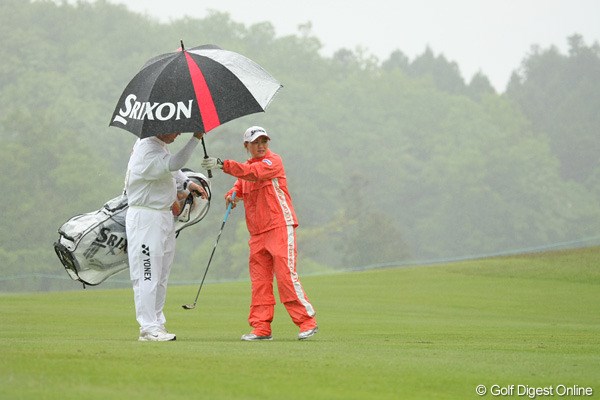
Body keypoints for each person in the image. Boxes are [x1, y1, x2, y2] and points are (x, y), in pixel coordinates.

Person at [201, 126, 318, 341]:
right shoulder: (245, 168)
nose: (261, 145)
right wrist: (232, 196)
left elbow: (254, 174)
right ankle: (261, 328)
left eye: (264, 141)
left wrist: (221, 165)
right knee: (260, 283)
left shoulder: (273, 162)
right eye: (256, 142)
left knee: (285, 277)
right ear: (247, 146)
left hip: (280, 226)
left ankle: (307, 321)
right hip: (257, 234)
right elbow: (240, 185)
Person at [125, 131, 208, 342]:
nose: (179, 132)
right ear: (160, 127)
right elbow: (173, 163)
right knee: (147, 272)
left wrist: (187, 184)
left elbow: (174, 170)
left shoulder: (159, 144)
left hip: (163, 216)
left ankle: (157, 322)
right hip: (145, 217)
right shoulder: (146, 149)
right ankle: (148, 326)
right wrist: (196, 137)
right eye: (176, 128)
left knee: (161, 274)